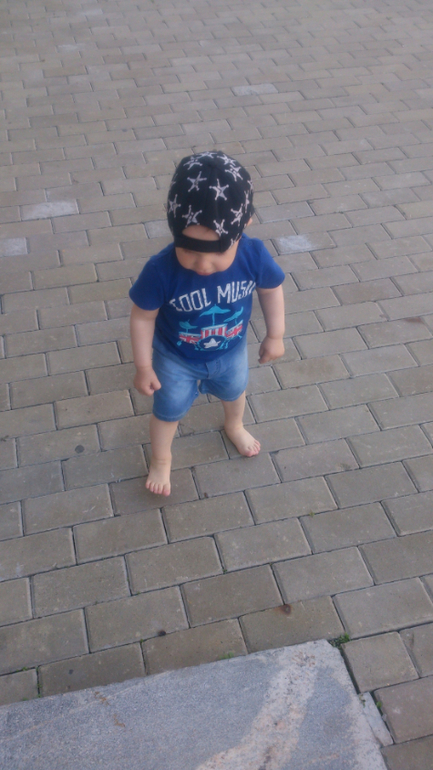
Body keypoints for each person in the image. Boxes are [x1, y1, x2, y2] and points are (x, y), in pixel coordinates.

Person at [130, 150, 285, 496]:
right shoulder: (160, 270)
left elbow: (271, 289)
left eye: (217, 252)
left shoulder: (253, 255)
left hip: (231, 350)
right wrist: (143, 366)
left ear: (244, 226)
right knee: (168, 410)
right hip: (175, 357)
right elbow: (142, 316)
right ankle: (161, 458)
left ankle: (235, 425)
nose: (202, 265)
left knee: (235, 391)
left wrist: (276, 334)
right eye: (189, 250)